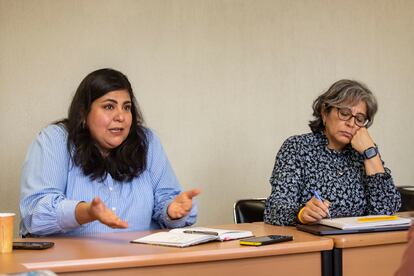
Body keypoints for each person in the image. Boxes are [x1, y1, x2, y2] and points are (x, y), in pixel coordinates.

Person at [20, 68, 200, 236]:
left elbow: (167, 200)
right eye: (109, 107)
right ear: (83, 113)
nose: (120, 117)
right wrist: (87, 212)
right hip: (71, 265)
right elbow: (35, 213)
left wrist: (171, 211)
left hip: (138, 262)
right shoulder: (55, 140)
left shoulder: (146, 141)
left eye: (127, 107)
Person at [264, 79, 401, 226]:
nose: (351, 123)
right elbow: (274, 209)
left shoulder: (365, 153)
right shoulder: (297, 147)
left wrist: (370, 153)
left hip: (358, 241)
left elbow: (387, 210)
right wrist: (301, 213)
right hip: (314, 241)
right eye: (344, 113)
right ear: (324, 112)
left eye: (359, 119)